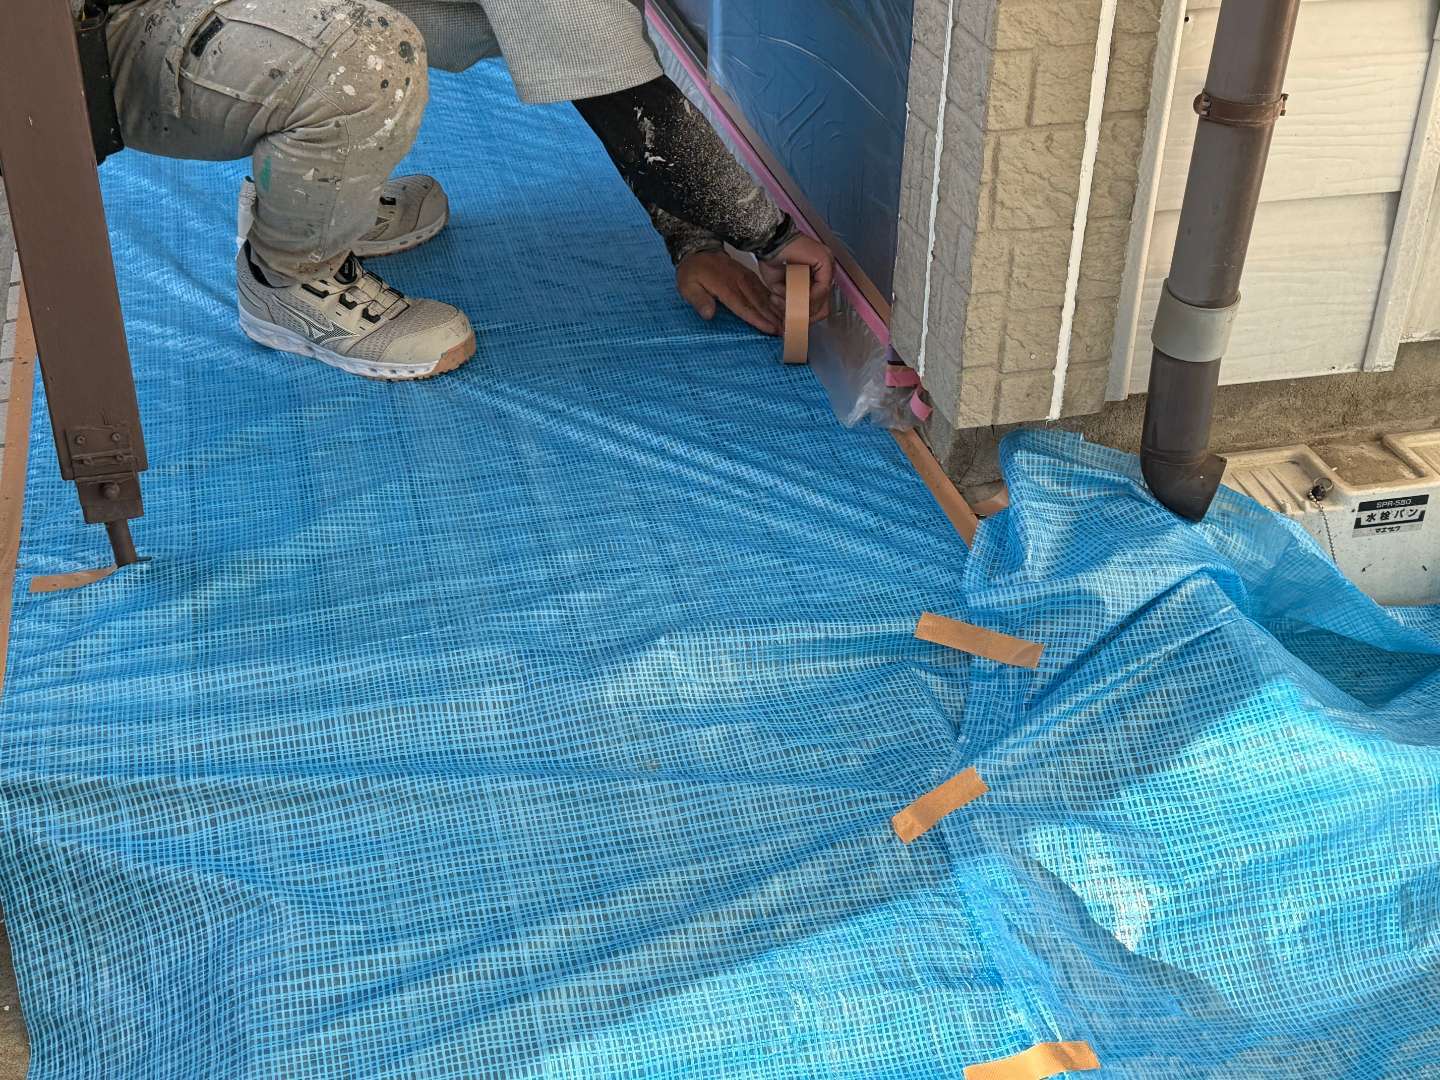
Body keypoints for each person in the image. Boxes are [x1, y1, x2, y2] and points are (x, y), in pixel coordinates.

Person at [98, 0, 835, 381]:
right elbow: (584, 37)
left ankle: (312, 197)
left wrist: (692, 233)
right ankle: (287, 277)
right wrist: (763, 232)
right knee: (365, 55)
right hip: (111, 38)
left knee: (481, 13)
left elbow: (580, 36)